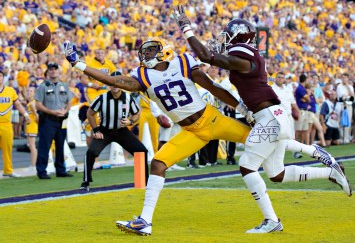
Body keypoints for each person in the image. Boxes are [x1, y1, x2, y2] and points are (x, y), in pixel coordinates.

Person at [174, 6, 351, 233]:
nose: (224, 40)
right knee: (277, 174)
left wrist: (187, 29)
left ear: (238, 36)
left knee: (247, 166)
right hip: (272, 115)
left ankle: (272, 221)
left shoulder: (245, 58)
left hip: (269, 117)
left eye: (228, 35)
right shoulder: (249, 55)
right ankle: (328, 168)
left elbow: (207, 57)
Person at [63, 37, 254, 235]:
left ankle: (283, 173)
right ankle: (145, 221)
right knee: (158, 163)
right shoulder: (143, 76)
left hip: (213, 120)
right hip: (191, 132)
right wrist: (78, 63)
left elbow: (212, 87)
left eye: (151, 50)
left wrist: (241, 108)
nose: (146, 55)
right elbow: (111, 80)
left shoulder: (183, 62)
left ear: (165, 51)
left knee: (259, 139)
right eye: (145, 51)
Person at [80, 71, 149, 191]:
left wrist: (130, 122)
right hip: (105, 131)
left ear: (122, 83)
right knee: (91, 152)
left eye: (118, 81)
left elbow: (136, 113)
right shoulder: (102, 98)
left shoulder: (128, 97)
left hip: (122, 131)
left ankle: (146, 180)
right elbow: (90, 114)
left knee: (142, 151)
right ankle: (86, 181)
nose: (115, 85)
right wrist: (96, 130)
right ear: (108, 83)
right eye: (112, 82)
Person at [35, 63, 73, 179]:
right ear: (48, 72)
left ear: (59, 71)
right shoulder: (43, 86)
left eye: (55, 69)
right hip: (48, 120)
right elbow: (38, 105)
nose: (53, 71)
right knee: (44, 146)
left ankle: (61, 170)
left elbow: (69, 101)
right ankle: (41, 171)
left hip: (61, 120)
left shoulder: (64, 85)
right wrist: (52, 112)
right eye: (50, 70)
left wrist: (65, 110)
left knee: (61, 145)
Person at [0, 71, 30, 177]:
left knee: (7, 148)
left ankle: (8, 171)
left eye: (0, 76)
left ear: (4, 78)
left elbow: (18, 104)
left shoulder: (10, 91)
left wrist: (26, 115)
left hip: (6, 124)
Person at [25, 86, 39, 174]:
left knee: (32, 146)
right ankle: (33, 165)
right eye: (28, 91)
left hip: (32, 126)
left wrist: (36, 123)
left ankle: (34, 166)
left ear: (34, 93)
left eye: (31, 91)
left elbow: (37, 116)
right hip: (29, 125)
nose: (29, 92)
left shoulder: (32, 103)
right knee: (30, 146)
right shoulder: (30, 103)